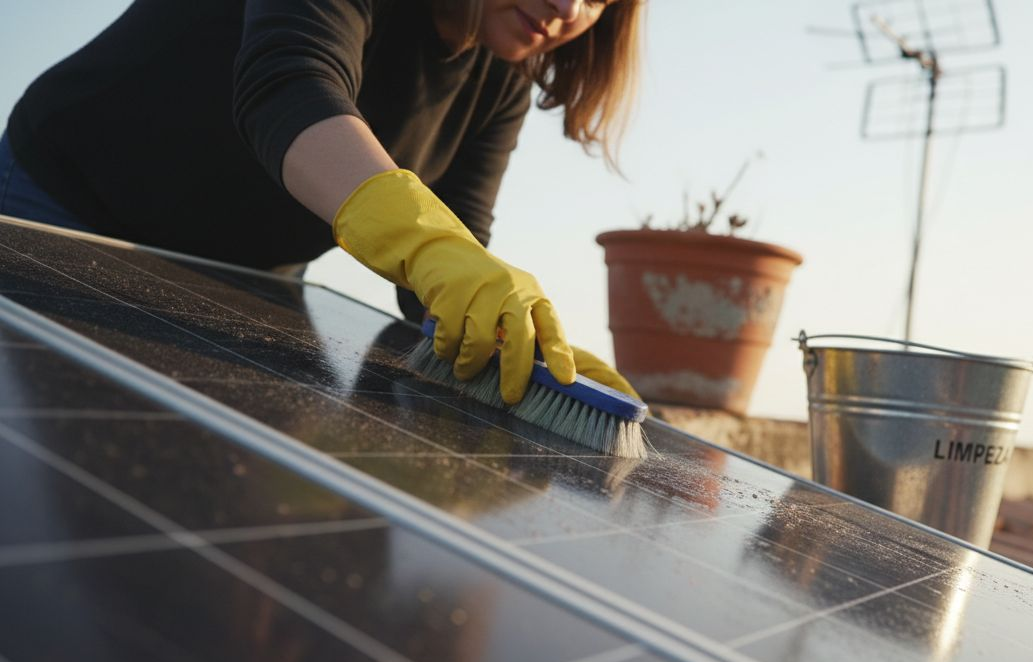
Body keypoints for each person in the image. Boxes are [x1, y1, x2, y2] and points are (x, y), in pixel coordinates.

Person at [0, 0, 641, 404]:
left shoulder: (501, 84)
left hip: (247, 279)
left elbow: (451, 248)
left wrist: (504, 333)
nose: (567, 7)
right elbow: (291, 85)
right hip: (66, 209)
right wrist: (427, 244)